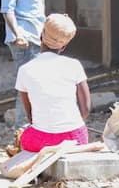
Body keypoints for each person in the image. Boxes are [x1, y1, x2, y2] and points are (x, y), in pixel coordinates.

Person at [14, 13, 91, 153]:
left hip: (41, 141)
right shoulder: (74, 65)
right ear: (64, 45)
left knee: (24, 136)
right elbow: (85, 110)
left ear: (41, 35)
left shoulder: (25, 70)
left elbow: (30, 117)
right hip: (75, 139)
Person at [1, 0, 46, 128]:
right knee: (27, 86)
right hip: (23, 39)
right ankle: (22, 131)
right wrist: (18, 35)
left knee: (35, 84)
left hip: (37, 35)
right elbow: (6, 9)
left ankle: (32, 129)